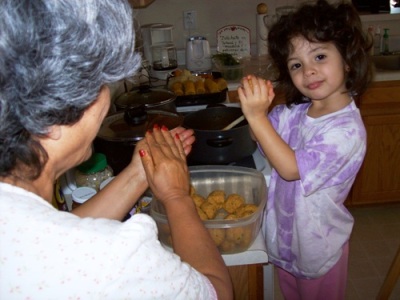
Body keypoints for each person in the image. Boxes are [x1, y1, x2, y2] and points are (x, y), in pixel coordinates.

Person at [0, 0, 233, 299]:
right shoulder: (115, 259)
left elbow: (62, 236)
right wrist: (176, 196)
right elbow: (217, 293)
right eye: (103, 85)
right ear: (66, 109)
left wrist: (138, 174)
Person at [237, 0, 373, 299]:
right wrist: (254, 107)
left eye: (320, 56)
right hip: (287, 243)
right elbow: (259, 136)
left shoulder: (346, 131)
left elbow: (291, 168)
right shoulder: (294, 112)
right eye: (296, 65)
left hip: (317, 250)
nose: (308, 71)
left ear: (347, 60)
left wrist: (258, 116)